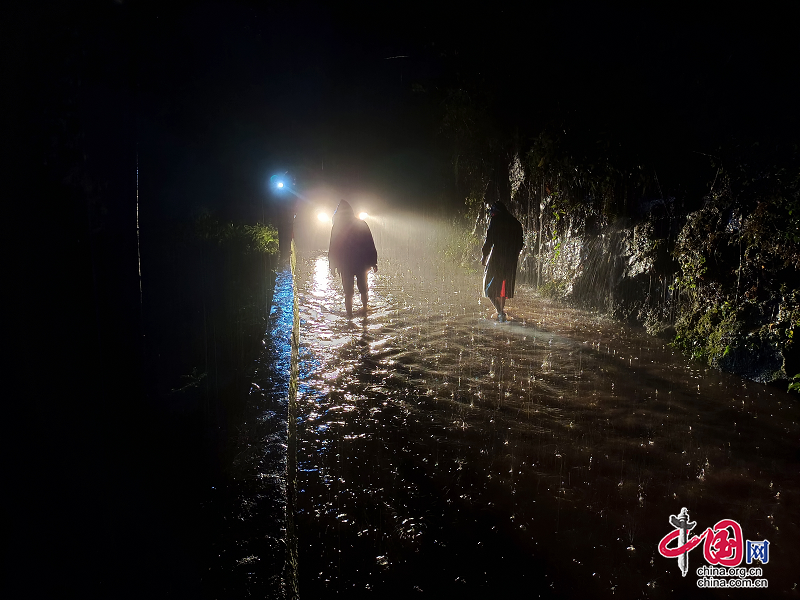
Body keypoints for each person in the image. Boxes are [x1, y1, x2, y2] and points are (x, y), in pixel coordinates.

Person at [328, 200, 378, 318]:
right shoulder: (361, 224)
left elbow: (333, 246)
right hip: (361, 263)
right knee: (363, 288)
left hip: (346, 264)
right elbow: (370, 243)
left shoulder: (337, 226)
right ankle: (365, 309)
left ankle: (349, 316)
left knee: (348, 292)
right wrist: (373, 262)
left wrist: (332, 265)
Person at [481, 201, 524, 322]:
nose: (492, 215)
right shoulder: (516, 223)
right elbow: (520, 244)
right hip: (511, 260)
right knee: (503, 286)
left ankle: (500, 312)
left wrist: (484, 256)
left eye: (492, 212)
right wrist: (513, 255)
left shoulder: (496, 220)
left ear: (496, 212)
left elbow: (489, 239)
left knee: (489, 288)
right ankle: (500, 310)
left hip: (497, 259)